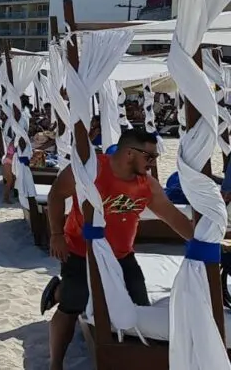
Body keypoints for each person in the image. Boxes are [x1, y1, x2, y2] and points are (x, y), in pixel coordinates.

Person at [42, 130, 193, 370]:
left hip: (122, 256)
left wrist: (203, 243)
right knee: (73, 305)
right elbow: (56, 194)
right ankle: (56, 364)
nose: (153, 162)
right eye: (150, 157)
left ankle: (59, 291)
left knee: (140, 308)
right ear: (130, 153)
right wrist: (57, 235)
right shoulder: (91, 170)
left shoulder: (147, 186)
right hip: (81, 251)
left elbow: (172, 217)